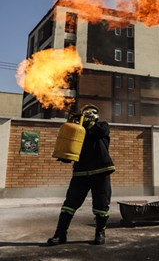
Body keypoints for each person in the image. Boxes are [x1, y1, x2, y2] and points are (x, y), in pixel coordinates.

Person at [47, 104, 115, 246]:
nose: (88, 114)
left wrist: (87, 123)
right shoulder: (78, 131)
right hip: (81, 172)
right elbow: (71, 147)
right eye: (86, 113)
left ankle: (100, 233)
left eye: (90, 113)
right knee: (69, 205)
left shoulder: (102, 126)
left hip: (100, 171)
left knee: (101, 206)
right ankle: (60, 235)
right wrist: (66, 155)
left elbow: (100, 131)